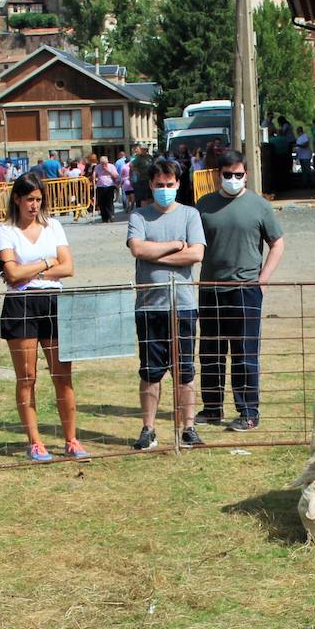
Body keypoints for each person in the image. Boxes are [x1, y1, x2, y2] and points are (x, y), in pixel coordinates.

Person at [0, 172, 88, 462]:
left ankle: (71, 439)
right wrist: (48, 263)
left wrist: (34, 269)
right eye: (29, 199)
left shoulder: (54, 226)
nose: (34, 205)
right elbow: (11, 274)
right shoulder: (5, 229)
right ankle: (35, 442)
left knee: (63, 375)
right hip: (21, 304)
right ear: (18, 200)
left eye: (38, 199)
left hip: (54, 301)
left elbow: (68, 267)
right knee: (27, 376)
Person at [194, 150, 285, 432]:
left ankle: (248, 411)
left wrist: (263, 279)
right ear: (218, 174)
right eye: (227, 175)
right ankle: (212, 408)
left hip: (245, 290)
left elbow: (277, 243)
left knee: (245, 353)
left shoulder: (260, 206)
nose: (232, 179)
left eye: (238, 175)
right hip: (210, 288)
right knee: (210, 352)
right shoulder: (203, 205)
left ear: (246, 174)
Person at [126, 158, 206, 450]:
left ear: (178, 184)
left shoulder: (190, 215)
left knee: (184, 370)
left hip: (182, 305)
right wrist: (174, 245)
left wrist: (153, 254)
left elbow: (196, 254)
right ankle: (148, 428)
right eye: (159, 185)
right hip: (149, 307)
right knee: (149, 371)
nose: (164, 189)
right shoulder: (139, 216)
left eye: (169, 185)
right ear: (150, 184)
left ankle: (189, 427)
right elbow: (137, 248)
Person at [92, 155, 118, 223]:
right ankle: (104, 217)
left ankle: (111, 216)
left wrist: (108, 170)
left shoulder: (111, 166)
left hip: (109, 185)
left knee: (109, 202)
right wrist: (94, 178)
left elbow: (115, 175)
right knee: (101, 203)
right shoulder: (97, 167)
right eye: (102, 163)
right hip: (100, 186)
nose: (103, 165)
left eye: (104, 163)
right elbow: (95, 173)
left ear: (107, 162)